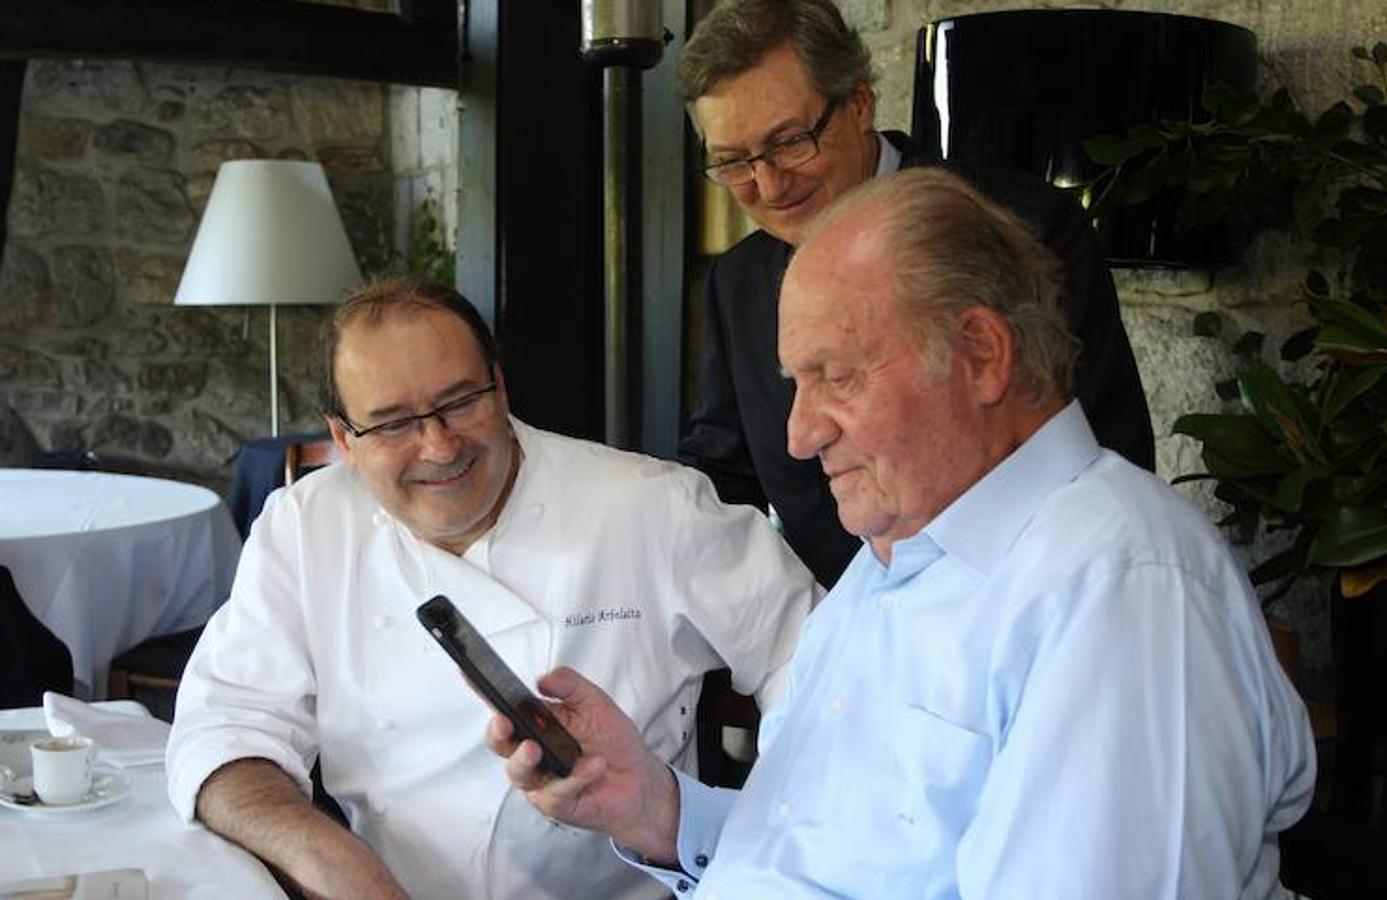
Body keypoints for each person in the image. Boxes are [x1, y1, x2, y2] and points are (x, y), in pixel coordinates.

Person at [489, 169, 1316, 898]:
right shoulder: (897, 555)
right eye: (795, 385)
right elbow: (834, 846)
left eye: (836, 377)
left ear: (982, 355)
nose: (799, 435)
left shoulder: (1119, 589)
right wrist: (651, 806)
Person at [165, 278, 818, 900]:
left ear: (500, 387)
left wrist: (776, 839)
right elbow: (223, 728)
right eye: (392, 424)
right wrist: (331, 862)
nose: (439, 445)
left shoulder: (652, 508)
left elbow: (816, 665)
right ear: (343, 438)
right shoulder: (306, 527)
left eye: (459, 402)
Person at [676, 0, 1155, 587]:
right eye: (733, 162)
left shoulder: (1022, 227)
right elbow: (728, 480)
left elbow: (1105, 447)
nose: (770, 185)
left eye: (791, 142)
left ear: (858, 103)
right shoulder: (738, 282)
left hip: (1025, 614)